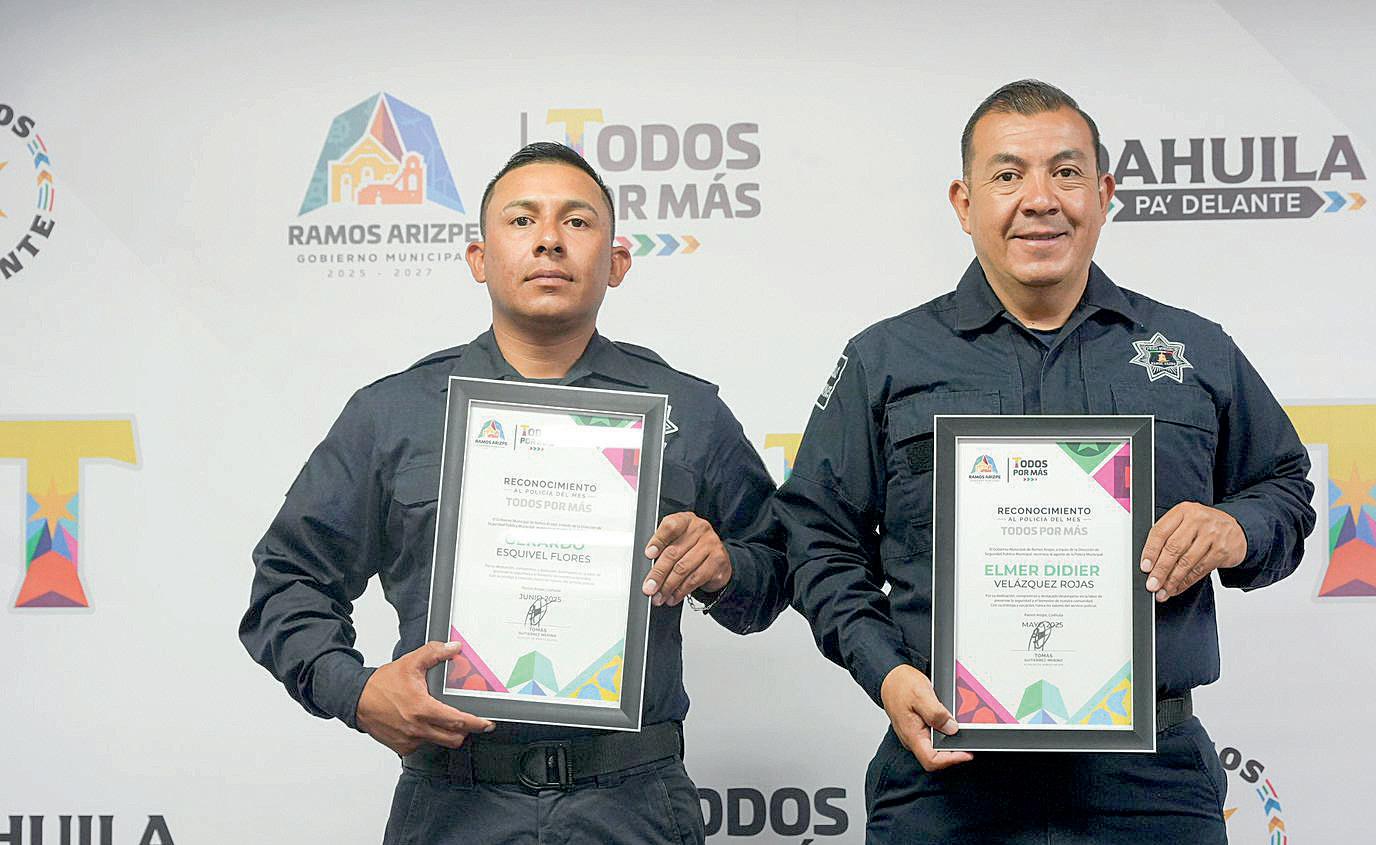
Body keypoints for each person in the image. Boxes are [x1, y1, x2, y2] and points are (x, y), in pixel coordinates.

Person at [776, 79, 1315, 842]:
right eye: (1008, 175)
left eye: (1066, 172)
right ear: (964, 203)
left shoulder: (1194, 350)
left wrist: (1236, 528)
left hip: (1151, 785)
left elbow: (1284, 487)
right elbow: (815, 537)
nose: (1040, 199)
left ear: (1104, 195)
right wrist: (887, 671)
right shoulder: (887, 360)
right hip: (946, 780)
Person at [241, 142, 788, 844]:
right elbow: (288, 580)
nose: (550, 239)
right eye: (523, 220)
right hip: (453, 801)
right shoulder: (393, 413)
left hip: (633, 803)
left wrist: (725, 567)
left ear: (617, 262)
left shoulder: (689, 412)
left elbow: (778, 570)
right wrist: (355, 689)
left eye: (578, 222)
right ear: (479, 258)